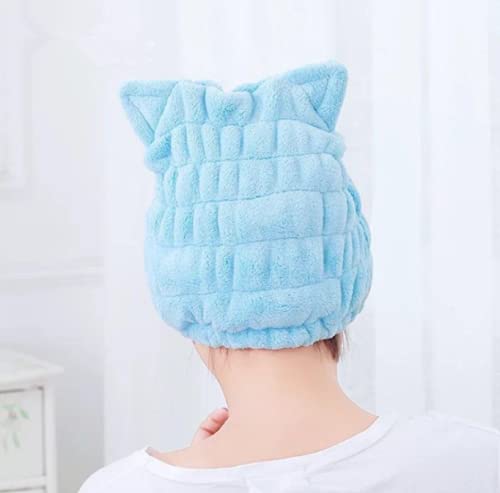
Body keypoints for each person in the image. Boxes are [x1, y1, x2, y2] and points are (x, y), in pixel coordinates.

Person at [80, 61, 500, 492]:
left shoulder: (119, 488)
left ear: (178, 286)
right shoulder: (477, 460)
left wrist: (208, 469)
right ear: (346, 269)